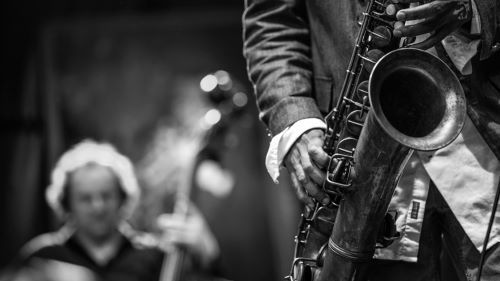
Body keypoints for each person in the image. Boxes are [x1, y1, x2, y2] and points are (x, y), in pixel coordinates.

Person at [243, 0, 500, 280]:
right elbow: (271, 22)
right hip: (359, 142)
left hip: (484, 137)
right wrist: (295, 119)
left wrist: (475, 9)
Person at [5, 140, 220, 281]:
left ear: (122, 198)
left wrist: (210, 255)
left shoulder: (157, 256)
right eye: (85, 198)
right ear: (66, 204)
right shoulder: (42, 256)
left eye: (106, 195)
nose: (98, 206)